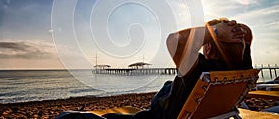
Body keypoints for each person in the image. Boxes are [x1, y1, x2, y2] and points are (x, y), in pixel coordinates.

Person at [56, 18, 253, 119]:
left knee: (74, 118)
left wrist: (217, 30)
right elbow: (248, 35)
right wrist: (235, 33)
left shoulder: (202, 72)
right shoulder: (241, 70)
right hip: (173, 107)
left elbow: (174, 41)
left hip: (151, 118)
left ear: (208, 47)